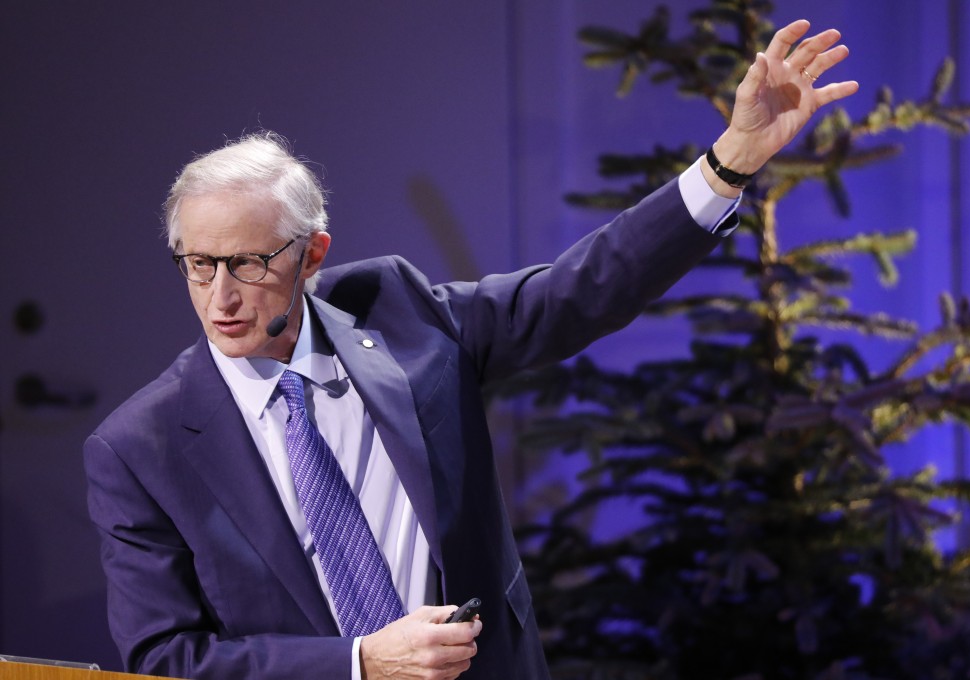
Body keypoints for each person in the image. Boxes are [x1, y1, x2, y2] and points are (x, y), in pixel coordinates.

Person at [84, 20, 857, 680]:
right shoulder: (139, 448)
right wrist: (358, 664)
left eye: (249, 264)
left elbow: (578, 291)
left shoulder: (399, 315)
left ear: (312, 254)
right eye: (199, 265)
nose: (220, 296)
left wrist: (727, 164)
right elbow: (167, 658)